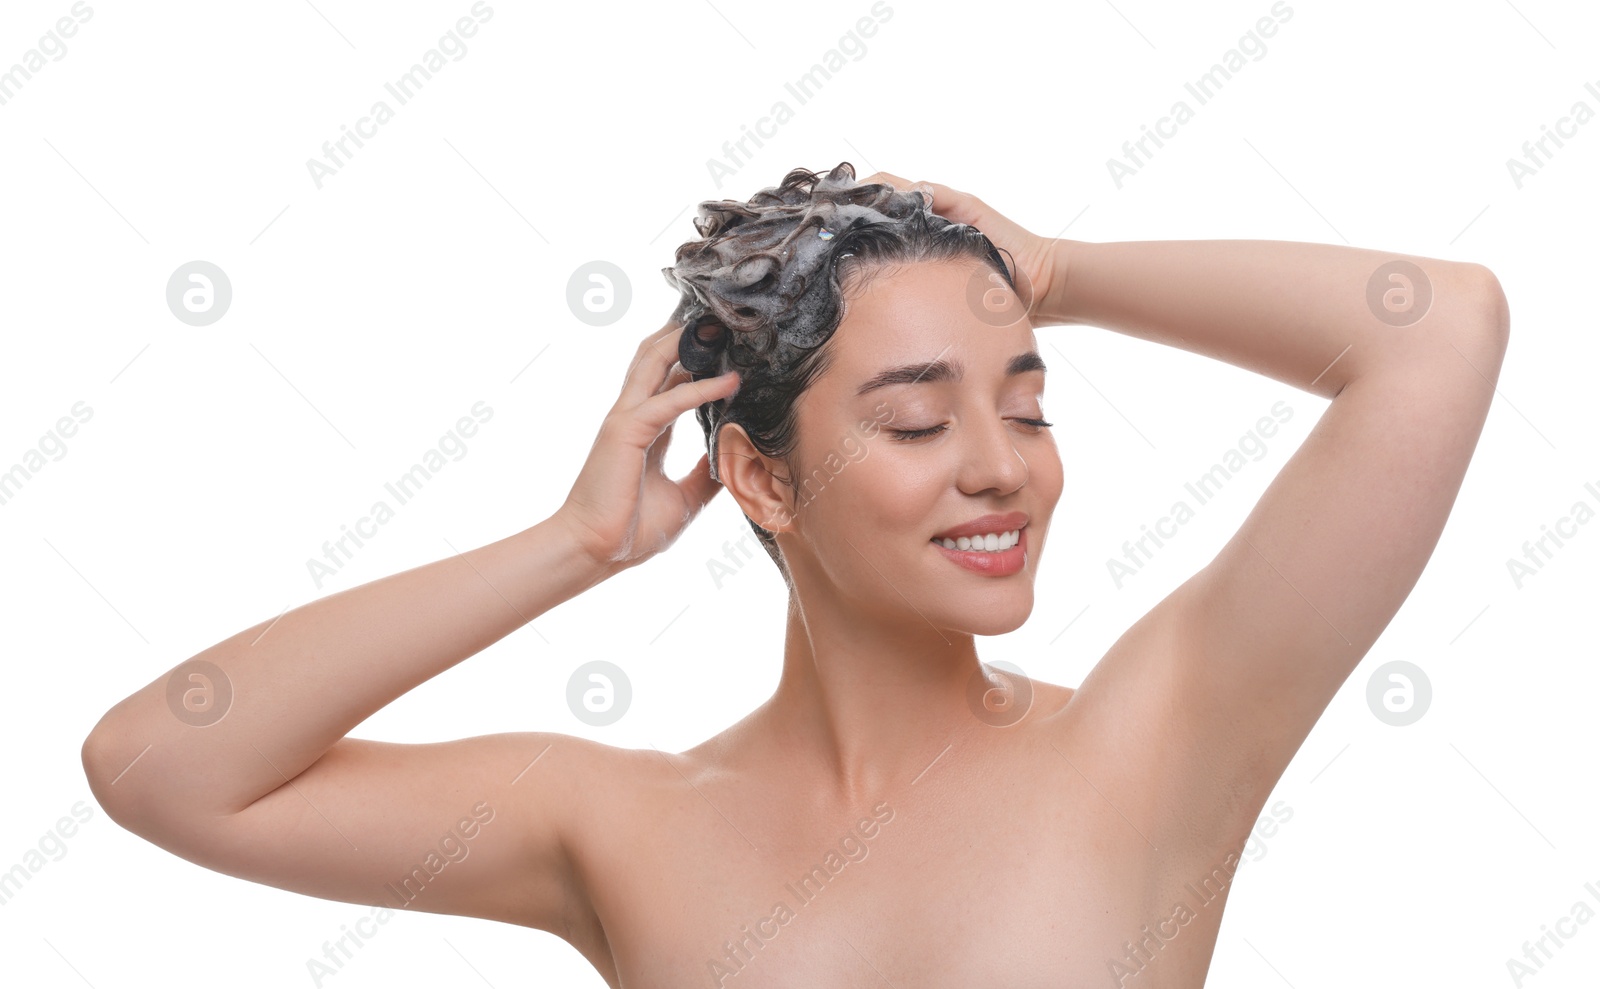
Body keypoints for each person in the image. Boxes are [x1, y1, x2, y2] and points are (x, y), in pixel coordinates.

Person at [80, 162, 1510, 987]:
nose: (1001, 466)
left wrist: (1060, 269)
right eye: (912, 418)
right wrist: (572, 546)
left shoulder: (1160, 740)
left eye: (1025, 402)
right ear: (763, 476)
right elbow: (161, 763)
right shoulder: (617, 822)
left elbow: (1438, 329)